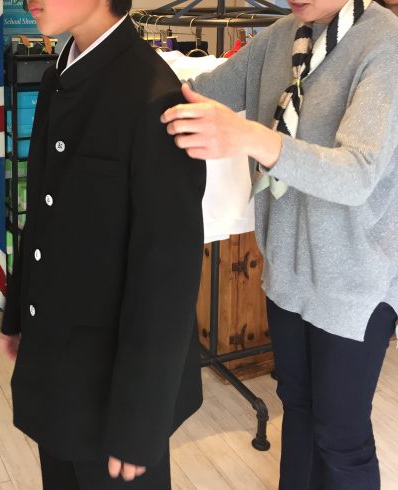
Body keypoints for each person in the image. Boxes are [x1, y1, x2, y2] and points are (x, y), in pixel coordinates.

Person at [161, 0, 398, 488]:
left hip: (354, 283)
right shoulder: (283, 35)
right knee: (298, 408)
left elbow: (357, 174)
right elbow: (197, 93)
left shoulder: (385, 43)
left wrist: (250, 137)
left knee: (341, 438)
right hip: (287, 272)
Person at [0, 0, 206, 488]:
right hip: (58, 361)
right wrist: (20, 313)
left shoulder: (153, 95)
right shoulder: (60, 74)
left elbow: (168, 273)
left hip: (117, 383)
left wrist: (141, 417)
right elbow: (43, 213)